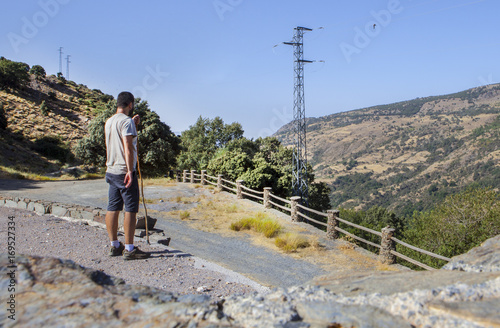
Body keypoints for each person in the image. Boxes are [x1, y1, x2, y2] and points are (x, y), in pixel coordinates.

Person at [104, 91, 150, 260]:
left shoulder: (109, 121)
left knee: (112, 207)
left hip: (111, 169)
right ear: (130, 104)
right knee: (130, 209)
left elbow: (114, 142)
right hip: (125, 171)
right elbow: (127, 147)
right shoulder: (126, 122)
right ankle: (130, 249)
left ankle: (114, 245)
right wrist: (130, 170)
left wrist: (133, 124)